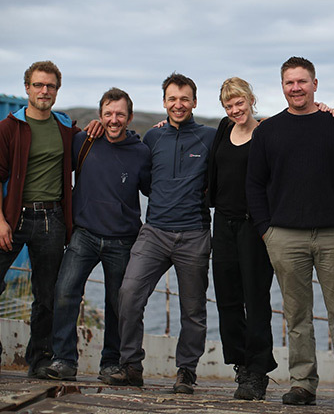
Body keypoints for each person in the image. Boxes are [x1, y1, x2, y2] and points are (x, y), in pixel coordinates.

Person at [246, 56, 334, 407]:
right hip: (285, 236)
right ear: (282, 86)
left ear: (315, 84)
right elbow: (255, 184)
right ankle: (302, 383)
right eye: (289, 83)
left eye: (302, 81)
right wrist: (266, 231)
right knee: (296, 314)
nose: (296, 88)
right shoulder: (268, 131)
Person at [0, 61, 80, 378]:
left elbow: (93, 145)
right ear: (27, 87)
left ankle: (41, 359)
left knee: (46, 296)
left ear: (57, 90)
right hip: (12, 219)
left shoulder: (65, 128)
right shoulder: (7, 128)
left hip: (51, 220)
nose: (45, 91)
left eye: (51, 86)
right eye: (39, 85)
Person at [109, 73, 216, 392]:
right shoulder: (153, 138)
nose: (178, 104)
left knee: (193, 310)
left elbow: (249, 131)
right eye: (172, 98)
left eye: (184, 98)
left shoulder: (211, 136)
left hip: (194, 233)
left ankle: (186, 371)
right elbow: (138, 172)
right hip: (153, 231)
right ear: (164, 102)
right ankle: (130, 366)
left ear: (195, 102)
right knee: (128, 296)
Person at [44, 88, 151, 381]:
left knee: (117, 305)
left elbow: (153, 189)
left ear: (129, 117)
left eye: (119, 114)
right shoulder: (83, 141)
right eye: (108, 114)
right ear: (99, 115)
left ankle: (111, 364)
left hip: (123, 239)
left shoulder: (141, 152)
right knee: (65, 293)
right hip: (85, 235)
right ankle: (64, 360)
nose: (113, 120)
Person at [207, 77, 277, 400]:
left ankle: (258, 370)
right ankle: (241, 365)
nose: (235, 110)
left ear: (251, 100)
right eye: (229, 105)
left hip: (253, 227)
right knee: (228, 298)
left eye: (240, 103)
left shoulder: (265, 133)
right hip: (222, 222)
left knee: (256, 297)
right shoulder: (223, 128)